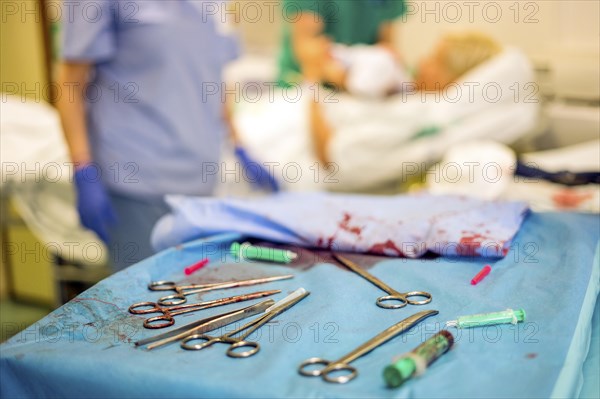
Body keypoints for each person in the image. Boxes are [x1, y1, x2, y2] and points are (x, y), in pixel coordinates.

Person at [56, 1, 277, 271]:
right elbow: (70, 83)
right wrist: (82, 166)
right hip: (136, 178)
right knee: (144, 300)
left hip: (200, 183)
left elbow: (215, 80)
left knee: (196, 297)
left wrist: (239, 146)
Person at [309, 32, 502, 164]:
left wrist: (312, 85)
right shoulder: (410, 99)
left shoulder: (419, 116)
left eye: (434, 59)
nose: (422, 62)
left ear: (453, 78)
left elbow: (330, 154)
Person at [277, 0, 407, 91]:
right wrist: (342, 77)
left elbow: (386, 44)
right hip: (304, 87)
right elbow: (306, 46)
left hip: (360, 93)